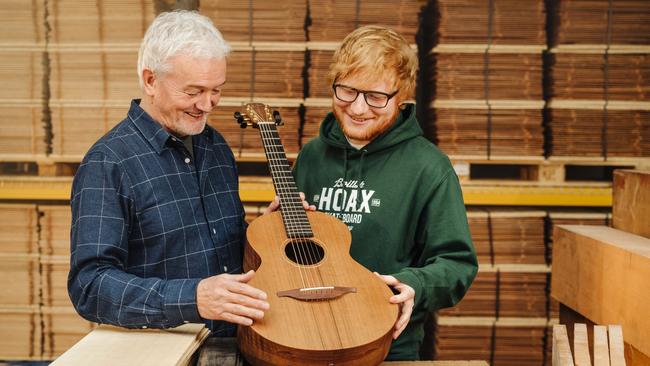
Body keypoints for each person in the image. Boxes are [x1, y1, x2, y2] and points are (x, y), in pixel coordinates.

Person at [68, 10, 275, 337]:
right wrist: (191, 299)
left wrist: (267, 230)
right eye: (193, 92)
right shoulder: (109, 163)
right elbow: (90, 287)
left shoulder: (214, 145)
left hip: (237, 341)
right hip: (165, 350)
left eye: (216, 90)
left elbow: (219, 243)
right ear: (151, 80)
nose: (207, 105)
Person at [291, 25, 478, 360]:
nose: (359, 108)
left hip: (386, 346)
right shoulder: (312, 156)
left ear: (402, 95)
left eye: (376, 97)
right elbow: (294, 251)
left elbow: (457, 265)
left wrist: (416, 285)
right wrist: (275, 227)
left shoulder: (429, 168)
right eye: (346, 91)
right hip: (304, 339)